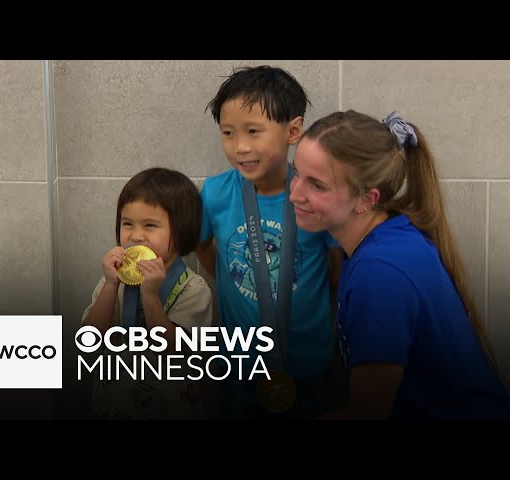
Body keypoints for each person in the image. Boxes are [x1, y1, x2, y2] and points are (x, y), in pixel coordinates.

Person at [289, 110, 510, 419]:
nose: (294, 194)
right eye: (297, 174)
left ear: (366, 199)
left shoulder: (379, 273)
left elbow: (368, 413)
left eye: (316, 185)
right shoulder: (390, 234)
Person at [195, 65, 344, 419]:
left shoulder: (315, 197)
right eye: (228, 133)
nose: (240, 146)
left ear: (293, 130)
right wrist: (237, 281)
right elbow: (202, 248)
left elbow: (336, 266)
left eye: (253, 131)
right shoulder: (215, 193)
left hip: (310, 365)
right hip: (239, 367)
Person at [81, 167, 214, 420]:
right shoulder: (113, 282)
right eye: (127, 223)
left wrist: (151, 296)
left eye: (150, 225)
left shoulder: (193, 289)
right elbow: (90, 343)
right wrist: (110, 285)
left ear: (182, 230)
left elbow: (175, 351)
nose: (136, 235)